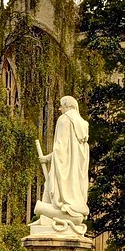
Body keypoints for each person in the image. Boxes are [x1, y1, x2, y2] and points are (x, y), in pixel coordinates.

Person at [34, 96, 90, 234]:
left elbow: (60, 146)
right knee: (49, 187)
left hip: (64, 165)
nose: (59, 109)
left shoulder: (65, 119)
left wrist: (47, 158)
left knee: (52, 186)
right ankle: (44, 217)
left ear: (67, 105)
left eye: (61, 106)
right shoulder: (83, 124)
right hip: (76, 171)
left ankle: (44, 212)